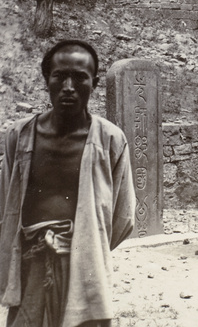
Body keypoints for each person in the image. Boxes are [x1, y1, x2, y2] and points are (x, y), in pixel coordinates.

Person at [0, 40, 136, 327]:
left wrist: (87, 246)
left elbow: (122, 217)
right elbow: (5, 206)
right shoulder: (18, 136)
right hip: (29, 266)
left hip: (85, 269)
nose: (69, 87)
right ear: (46, 80)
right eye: (60, 76)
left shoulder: (110, 140)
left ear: (94, 83)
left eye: (80, 77)